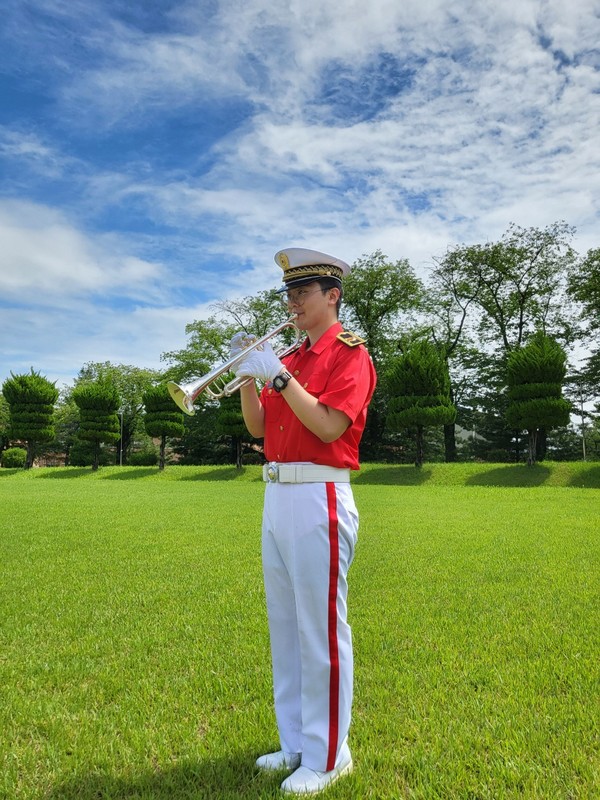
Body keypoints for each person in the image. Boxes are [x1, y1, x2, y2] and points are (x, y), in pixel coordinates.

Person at [232, 247, 377, 796]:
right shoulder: (289, 358)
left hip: (321, 494)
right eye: (288, 293)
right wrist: (251, 378)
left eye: (302, 292)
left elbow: (326, 427)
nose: (291, 301)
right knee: (287, 628)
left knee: (320, 631)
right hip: (277, 493)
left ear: (332, 296)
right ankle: (295, 742)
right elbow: (257, 429)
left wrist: (278, 379)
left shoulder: (350, 355)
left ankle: (329, 754)